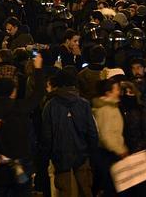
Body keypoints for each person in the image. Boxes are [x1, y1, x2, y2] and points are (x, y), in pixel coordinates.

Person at [0, 53, 46, 196]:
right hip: (21, 162)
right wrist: (38, 68)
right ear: (13, 92)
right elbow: (39, 92)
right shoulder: (20, 107)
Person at [42, 68, 98, 197]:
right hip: (82, 153)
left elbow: (47, 136)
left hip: (60, 155)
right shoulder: (84, 104)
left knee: (64, 190)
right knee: (85, 188)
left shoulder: (50, 105)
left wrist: (48, 155)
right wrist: (92, 151)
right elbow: (92, 132)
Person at [92, 77, 127, 197]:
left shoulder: (112, 107)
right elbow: (106, 135)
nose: (119, 92)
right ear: (108, 93)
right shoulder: (106, 110)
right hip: (109, 155)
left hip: (112, 154)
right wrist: (120, 150)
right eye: (116, 89)